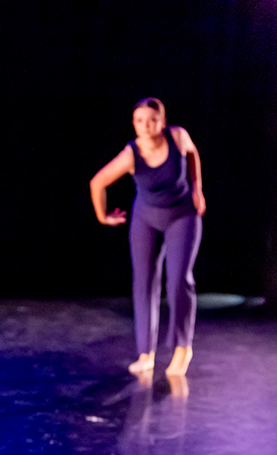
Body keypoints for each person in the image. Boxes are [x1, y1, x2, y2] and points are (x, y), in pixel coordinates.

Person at [89, 97, 205, 377]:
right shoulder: (131, 154)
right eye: (139, 121)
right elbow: (98, 182)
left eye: (152, 120)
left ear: (162, 123)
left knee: (178, 280)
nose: (145, 126)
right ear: (134, 124)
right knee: (143, 284)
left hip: (182, 216)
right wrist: (102, 215)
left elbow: (192, 154)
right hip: (146, 219)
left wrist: (197, 187)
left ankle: (182, 348)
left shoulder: (177, 137)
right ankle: (146, 354)